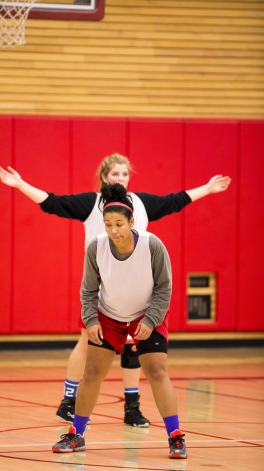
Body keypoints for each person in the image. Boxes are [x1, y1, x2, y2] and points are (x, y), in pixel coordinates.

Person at [0, 153, 231, 428]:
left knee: (134, 348)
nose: (120, 178)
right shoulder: (91, 204)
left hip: (137, 290)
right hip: (104, 290)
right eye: (115, 174)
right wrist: (21, 184)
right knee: (87, 343)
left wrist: (208, 188)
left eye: (124, 174)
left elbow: (175, 200)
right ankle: (68, 402)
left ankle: (132, 408)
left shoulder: (140, 205)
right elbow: (52, 202)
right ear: (104, 178)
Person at [52, 182, 187, 459]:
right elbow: (88, 290)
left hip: (147, 314)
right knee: (92, 373)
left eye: (119, 224)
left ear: (132, 221)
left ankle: (175, 437)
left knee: (157, 371)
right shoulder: (96, 247)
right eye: (108, 224)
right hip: (108, 315)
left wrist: (151, 319)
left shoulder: (152, 244)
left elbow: (164, 287)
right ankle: (77, 435)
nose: (113, 230)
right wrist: (90, 321)